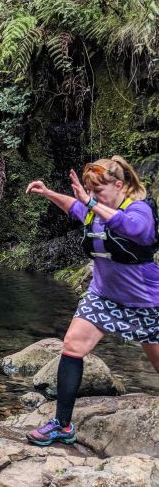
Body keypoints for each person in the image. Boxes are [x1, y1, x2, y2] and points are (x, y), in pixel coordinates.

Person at [24, 156, 159, 446]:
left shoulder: (140, 210)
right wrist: (49, 193)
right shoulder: (94, 210)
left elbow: (133, 229)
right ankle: (62, 424)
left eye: (98, 191)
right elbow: (73, 206)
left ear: (120, 185)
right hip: (103, 296)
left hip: (146, 302)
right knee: (72, 345)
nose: (93, 198)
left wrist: (90, 202)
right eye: (90, 192)